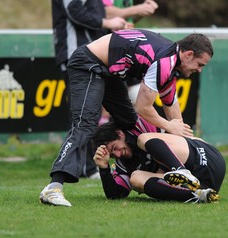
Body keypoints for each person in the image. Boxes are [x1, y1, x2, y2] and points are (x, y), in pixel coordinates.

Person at [39, 29, 214, 206]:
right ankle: (53, 187)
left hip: (108, 72)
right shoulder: (164, 62)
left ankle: (166, 171)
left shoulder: (170, 62)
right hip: (88, 65)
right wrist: (170, 127)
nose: (199, 70)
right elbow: (142, 108)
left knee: (130, 121)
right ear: (189, 54)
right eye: (200, 64)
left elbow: (171, 106)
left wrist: (192, 147)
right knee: (85, 124)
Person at [51, 0, 129, 179]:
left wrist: (114, 29)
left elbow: (96, 14)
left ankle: (91, 165)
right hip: (77, 58)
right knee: (83, 117)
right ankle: (84, 167)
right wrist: (107, 23)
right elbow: (74, 11)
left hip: (97, 59)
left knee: (98, 115)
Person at [92, 118, 226, 203]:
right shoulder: (123, 165)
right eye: (113, 155)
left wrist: (170, 123)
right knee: (136, 178)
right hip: (206, 184)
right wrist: (104, 168)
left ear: (120, 133)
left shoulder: (138, 127)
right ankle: (198, 196)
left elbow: (145, 108)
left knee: (144, 139)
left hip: (206, 157)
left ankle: (181, 171)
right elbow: (116, 196)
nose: (118, 154)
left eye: (115, 147)